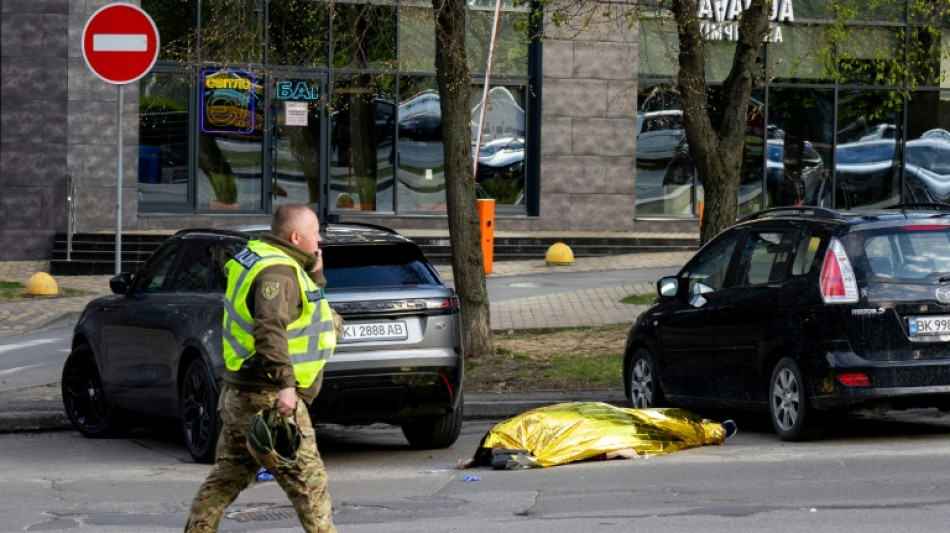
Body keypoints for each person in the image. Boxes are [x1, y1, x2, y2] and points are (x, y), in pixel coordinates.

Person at [185, 203, 343, 533]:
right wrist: (287, 384)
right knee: (310, 487)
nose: (320, 240)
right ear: (296, 236)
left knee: (226, 479)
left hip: (241, 393)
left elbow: (304, 311)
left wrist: (316, 274)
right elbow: (269, 330)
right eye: (315, 233)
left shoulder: (261, 256)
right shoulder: (278, 273)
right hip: (268, 396)